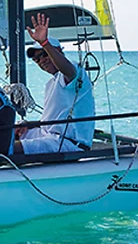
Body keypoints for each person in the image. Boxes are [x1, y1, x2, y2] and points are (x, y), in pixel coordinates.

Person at [16, 12, 95, 154]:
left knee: (9, 148)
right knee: (4, 134)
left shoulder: (75, 70)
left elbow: (68, 70)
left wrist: (45, 43)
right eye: (37, 59)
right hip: (47, 135)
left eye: (44, 54)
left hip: (68, 143)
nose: (42, 61)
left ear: (57, 51)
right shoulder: (50, 83)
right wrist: (29, 125)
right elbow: (49, 122)